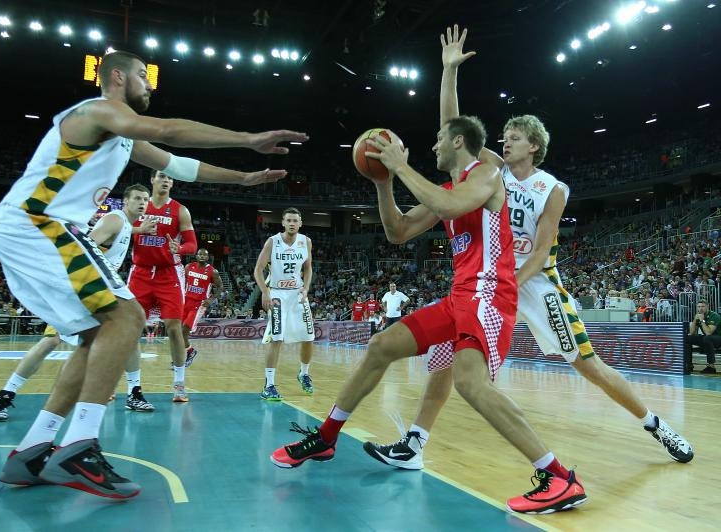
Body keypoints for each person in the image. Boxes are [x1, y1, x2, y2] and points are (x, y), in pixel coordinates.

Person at [363, 25, 693, 487]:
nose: (504, 141)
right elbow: (452, 130)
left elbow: (542, 249)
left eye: (513, 137)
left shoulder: (552, 188)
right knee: (445, 358)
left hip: (534, 284)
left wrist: (510, 283)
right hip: (489, 284)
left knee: (588, 365)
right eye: (503, 136)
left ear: (533, 145)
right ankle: (415, 442)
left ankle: (658, 426)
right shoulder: (489, 171)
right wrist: (449, 73)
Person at [0, 49, 307, 499]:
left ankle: (34, 448)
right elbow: (167, 129)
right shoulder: (97, 111)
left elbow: (181, 166)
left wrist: (243, 180)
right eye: (142, 76)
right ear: (117, 77)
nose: (149, 84)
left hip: (42, 228)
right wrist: (247, 137)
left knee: (94, 336)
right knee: (128, 317)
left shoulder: (120, 136)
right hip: (37, 223)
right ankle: (80, 443)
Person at [270, 109, 586, 513]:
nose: (433, 145)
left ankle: (559, 477)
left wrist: (400, 166)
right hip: (460, 298)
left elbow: (451, 206)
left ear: (457, 142)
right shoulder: (448, 188)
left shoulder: (487, 174)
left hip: (489, 296)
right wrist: (383, 183)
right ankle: (327, 437)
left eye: (439, 138)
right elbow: (397, 232)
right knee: (382, 345)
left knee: (471, 385)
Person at [0, 185, 155, 421]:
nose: (142, 202)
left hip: (94, 289)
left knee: (127, 333)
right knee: (50, 341)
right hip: (83, 288)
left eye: (145, 199)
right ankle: (6, 395)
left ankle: (133, 392)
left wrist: (138, 229)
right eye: (137, 198)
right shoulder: (115, 219)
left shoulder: (124, 224)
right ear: (125, 202)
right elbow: (86, 248)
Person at [127, 170, 200, 403]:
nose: (166, 180)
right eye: (162, 176)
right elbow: (117, 228)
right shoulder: (139, 205)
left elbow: (192, 244)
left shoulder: (180, 210)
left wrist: (181, 249)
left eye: (170, 177)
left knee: (173, 328)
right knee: (130, 329)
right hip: (140, 273)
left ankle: (179, 384)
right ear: (152, 180)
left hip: (169, 274)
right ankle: (132, 387)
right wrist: (137, 230)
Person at [254, 207, 315, 400]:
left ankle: (304, 373)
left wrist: (306, 288)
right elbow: (258, 269)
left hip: (297, 293)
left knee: (308, 337)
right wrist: (265, 291)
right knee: (277, 339)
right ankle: (269, 385)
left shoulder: (306, 241)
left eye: (295, 220)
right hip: (278, 294)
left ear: (300, 223)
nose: (291, 223)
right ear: (283, 222)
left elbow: (308, 268)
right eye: (288, 220)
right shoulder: (273, 242)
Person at [182, 247, 223, 360]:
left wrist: (210, 299)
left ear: (208, 257)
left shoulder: (212, 271)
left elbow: (220, 287)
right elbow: (183, 281)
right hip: (186, 301)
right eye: (200, 254)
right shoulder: (188, 267)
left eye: (205, 255)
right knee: (179, 332)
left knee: (184, 330)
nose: (202, 256)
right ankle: (188, 352)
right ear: (196, 256)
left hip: (199, 304)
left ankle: (189, 352)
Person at [686, 299, 720, 373]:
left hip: (718, 338)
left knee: (707, 338)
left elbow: (708, 332)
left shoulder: (714, 316)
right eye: (698, 307)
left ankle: (711, 367)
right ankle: (688, 365)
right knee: (687, 338)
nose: (700, 308)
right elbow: (691, 333)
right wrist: (695, 320)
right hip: (707, 338)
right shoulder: (698, 316)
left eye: (703, 306)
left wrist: (702, 320)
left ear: (708, 306)